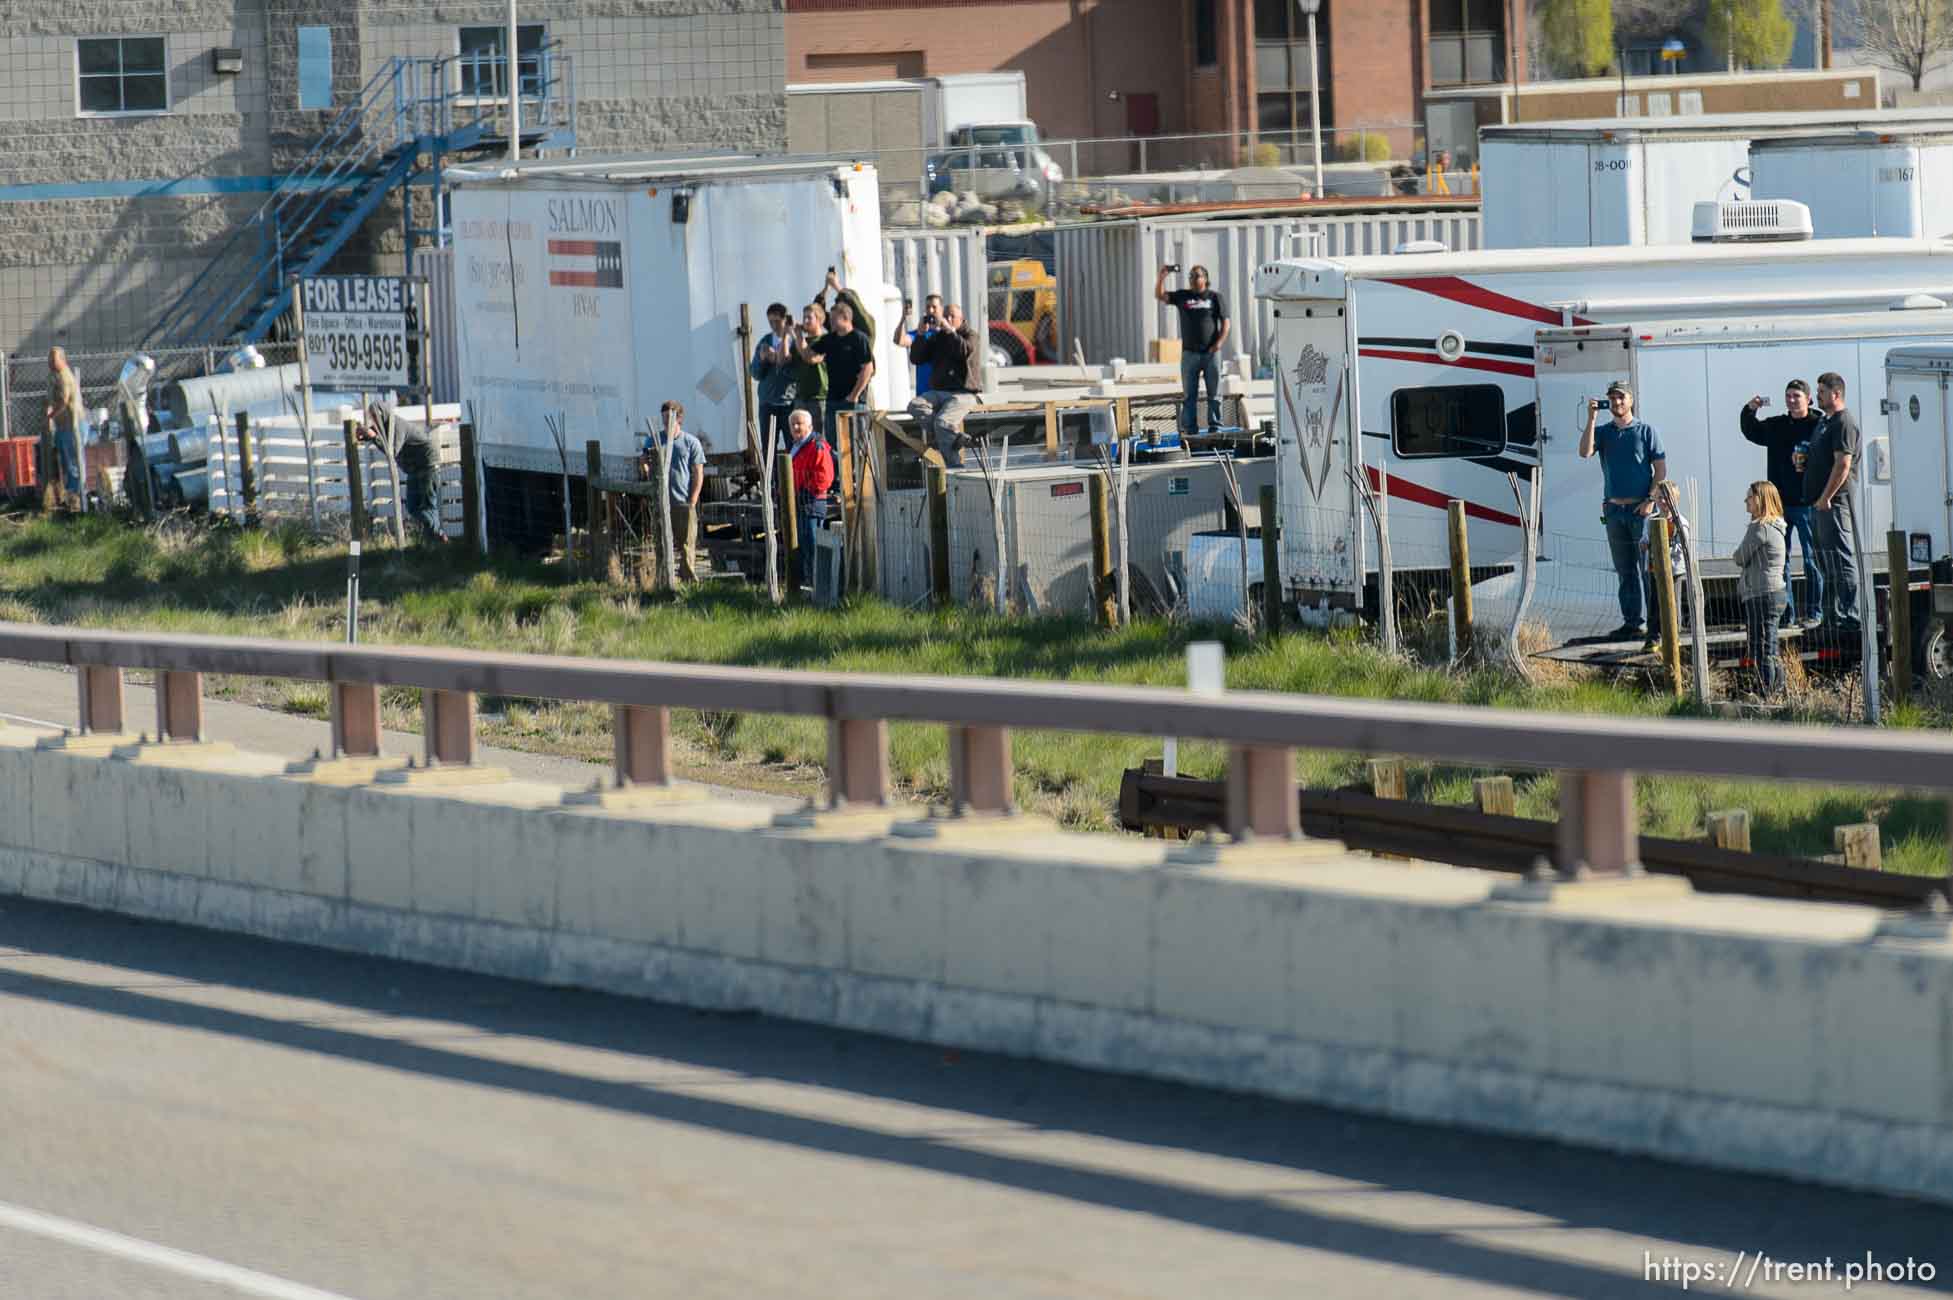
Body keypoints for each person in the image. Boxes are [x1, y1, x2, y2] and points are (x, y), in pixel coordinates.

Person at [1579, 380, 1667, 642]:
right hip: (1614, 511)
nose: (1616, 403)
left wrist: (1651, 499)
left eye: (1621, 398)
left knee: (1647, 571)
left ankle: (1656, 627)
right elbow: (1584, 452)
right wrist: (1591, 419)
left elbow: (1660, 470)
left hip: (1640, 511)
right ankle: (1632, 623)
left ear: (1631, 400)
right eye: (1612, 398)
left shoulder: (1646, 431)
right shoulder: (1604, 432)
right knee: (1624, 570)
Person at [1740, 380, 1822, 627]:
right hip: (1779, 506)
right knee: (1779, 562)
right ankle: (1787, 615)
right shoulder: (1777, 426)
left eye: (1797, 396)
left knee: (1812, 560)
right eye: (1788, 396)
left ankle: (1814, 613)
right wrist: (1749, 409)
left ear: (1809, 399)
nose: (1791, 400)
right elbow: (1751, 431)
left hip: (1808, 503)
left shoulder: (1818, 426)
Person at [1803, 370, 1861, 636]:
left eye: (1822, 392)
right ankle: (1831, 615)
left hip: (1834, 504)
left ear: (1836, 394)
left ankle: (1849, 615)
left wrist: (1826, 497)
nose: (1817, 396)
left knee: (1841, 558)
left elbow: (1843, 463)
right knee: (1825, 561)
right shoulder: (1825, 422)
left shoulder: (1843, 422)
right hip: (1818, 503)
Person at [1153, 264, 1230, 436]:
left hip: (1211, 353)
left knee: (1215, 394)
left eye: (1197, 276)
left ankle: (1215, 429)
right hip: (1189, 354)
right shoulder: (1183, 296)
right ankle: (1190, 431)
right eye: (1191, 276)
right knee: (1189, 396)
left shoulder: (1215, 297)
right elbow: (1160, 295)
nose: (1194, 279)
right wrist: (1162, 277)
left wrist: (1219, 343)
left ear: (1205, 278)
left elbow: (1226, 322)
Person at [1732, 480, 1789, 698]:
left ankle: (1767, 694)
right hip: (1774, 593)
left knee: (1762, 647)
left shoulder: (1760, 528)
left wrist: (1738, 555)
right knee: (1770, 646)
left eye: (1749, 496)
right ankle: (1778, 691)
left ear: (1760, 499)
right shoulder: (1776, 526)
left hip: (1762, 594)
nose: (1746, 500)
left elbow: (1740, 557)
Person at [907, 302, 983, 466]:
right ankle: (954, 437)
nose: (947, 319)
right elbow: (917, 358)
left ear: (961, 319)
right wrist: (920, 335)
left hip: (964, 393)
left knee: (942, 423)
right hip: (939, 391)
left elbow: (964, 351)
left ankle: (955, 467)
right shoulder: (939, 336)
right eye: (945, 316)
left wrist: (950, 330)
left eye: (951, 316)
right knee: (915, 405)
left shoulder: (971, 335)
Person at [641, 399, 706, 584]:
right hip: (661, 500)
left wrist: (692, 500)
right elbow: (644, 459)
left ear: (679, 419)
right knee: (661, 543)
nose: (665, 422)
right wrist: (647, 471)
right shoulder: (653, 439)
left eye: (669, 418)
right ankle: (663, 580)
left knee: (686, 545)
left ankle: (688, 581)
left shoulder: (690, 442)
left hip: (682, 501)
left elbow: (698, 472)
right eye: (663, 418)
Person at [358, 403, 442, 543]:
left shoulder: (395, 426)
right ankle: (436, 538)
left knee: (427, 506)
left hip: (427, 465)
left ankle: (436, 539)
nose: (374, 419)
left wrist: (372, 436)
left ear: (382, 413)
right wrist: (365, 434)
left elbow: (392, 451)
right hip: (414, 468)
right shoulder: (384, 427)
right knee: (412, 507)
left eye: (375, 415)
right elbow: (375, 434)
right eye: (372, 416)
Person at [808, 300, 875, 452]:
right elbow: (808, 355)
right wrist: (796, 334)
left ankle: (860, 475)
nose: (830, 322)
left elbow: (868, 368)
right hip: (833, 400)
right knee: (833, 442)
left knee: (858, 442)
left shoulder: (859, 338)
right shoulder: (829, 339)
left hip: (854, 402)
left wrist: (854, 395)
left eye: (833, 319)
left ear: (845, 317)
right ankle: (838, 475)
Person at [1639, 479, 1690, 655]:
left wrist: (1664, 549)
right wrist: (1644, 543)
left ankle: (1673, 636)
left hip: (1673, 571)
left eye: (1667, 498)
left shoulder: (1680, 522)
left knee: (1672, 603)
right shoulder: (1651, 520)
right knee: (1654, 603)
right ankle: (1653, 637)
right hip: (1654, 569)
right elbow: (1645, 538)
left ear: (1675, 500)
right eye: (1660, 498)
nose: (1663, 502)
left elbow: (1682, 547)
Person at [786, 407, 834, 591]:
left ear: (810, 426)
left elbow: (824, 477)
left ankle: (818, 585)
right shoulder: (795, 446)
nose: (796, 427)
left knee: (812, 545)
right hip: (799, 502)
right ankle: (808, 582)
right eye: (793, 424)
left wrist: (805, 492)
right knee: (803, 546)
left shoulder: (817, 446)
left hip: (811, 502)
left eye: (800, 423)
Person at [749, 302, 798, 454]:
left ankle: (793, 477)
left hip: (789, 403)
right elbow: (755, 373)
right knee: (768, 447)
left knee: (793, 445)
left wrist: (778, 360)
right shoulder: (764, 342)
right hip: (767, 404)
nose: (773, 325)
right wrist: (763, 360)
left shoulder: (794, 343)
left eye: (777, 321)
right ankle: (770, 478)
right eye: (770, 321)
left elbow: (797, 374)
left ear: (785, 319)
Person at [44, 346, 85, 508]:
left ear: (63, 360)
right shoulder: (53, 376)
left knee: (73, 464)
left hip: (72, 425)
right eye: (49, 360)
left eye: (54, 360)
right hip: (61, 427)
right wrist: (48, 409)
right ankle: (68, 496)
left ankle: (76, 499)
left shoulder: (65, 376)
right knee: (66, 463)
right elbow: (50, 399)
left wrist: (50, 416)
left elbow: (64, 401)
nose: (51, 363)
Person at [789, 302, 829, 442]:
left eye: (809, 318)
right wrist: (787, 335)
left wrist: (798, 335)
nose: (805, 321)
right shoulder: (800, 341)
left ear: (819, 320)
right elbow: (785, 361)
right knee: (800, 438)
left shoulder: (825, 340)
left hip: (818, 398)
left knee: (818, 439)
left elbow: (810, 358)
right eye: (804, 317)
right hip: (801, 397)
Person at [908, 293, 944, 395]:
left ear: (941, 309)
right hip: (924, 392)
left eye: (934, 307)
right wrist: (903, 318)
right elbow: (899, 340)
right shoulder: (919, 333)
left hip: (942, 392)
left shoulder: (947, 333)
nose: (930, 311)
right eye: (928, 307)